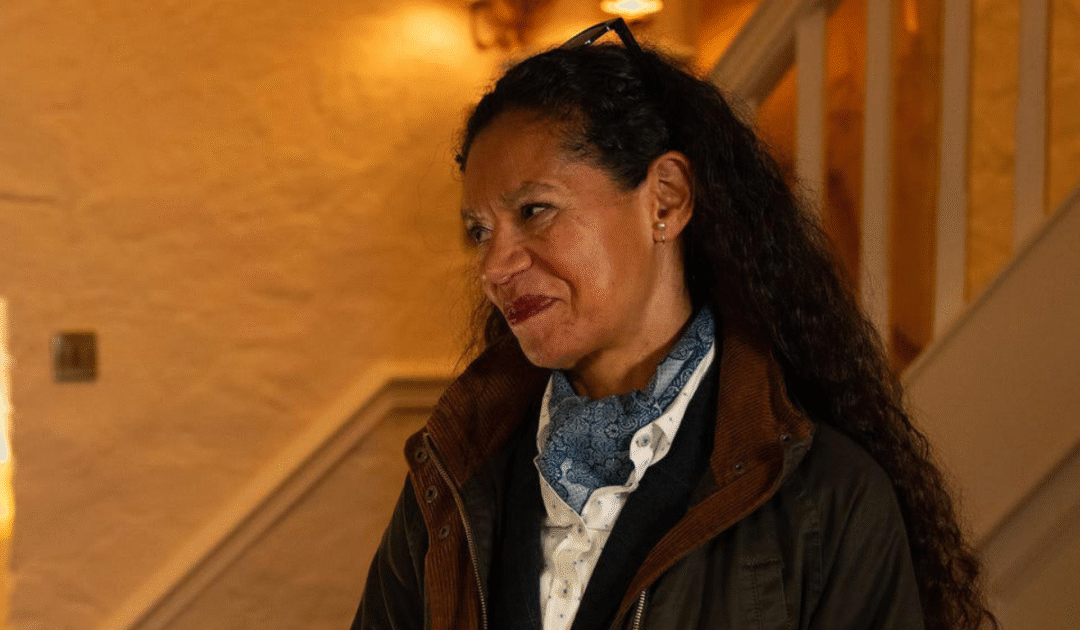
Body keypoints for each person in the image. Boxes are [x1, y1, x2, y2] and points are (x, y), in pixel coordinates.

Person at [352, 18, 996, 630]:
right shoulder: (451, 483)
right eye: (480, 232)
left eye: (535, 210)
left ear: (666, 198)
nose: (495, 266)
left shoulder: (830, 500)